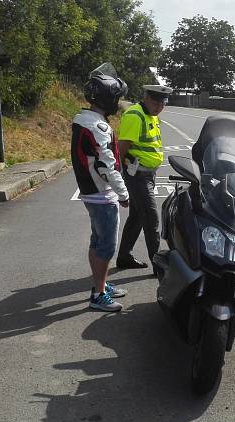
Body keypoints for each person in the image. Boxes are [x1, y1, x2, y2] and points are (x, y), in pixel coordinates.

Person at [71, 65, 130, 312]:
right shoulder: (98, 128)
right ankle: (98, 294)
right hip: (101, 194)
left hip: (90, 192)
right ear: (108, 99)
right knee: (106, 245)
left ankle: (101, 283)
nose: (117, 101)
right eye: (116, 97)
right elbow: (107, 167)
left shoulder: (83, 119)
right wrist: (124, 193)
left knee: (97, 241)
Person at [115, 84, 173, 271]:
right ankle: (159, 267)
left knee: (137, 217)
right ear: (147, 97)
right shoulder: (136, 114)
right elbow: (122, 147)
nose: (159, 107)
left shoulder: (151, 115)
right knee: (151, 218)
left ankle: (124, 257)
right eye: (155, 102)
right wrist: (121, 173)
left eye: (162, 104)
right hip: (137, 175)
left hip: (148, 173)